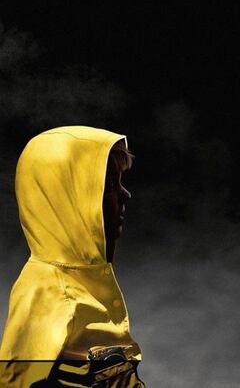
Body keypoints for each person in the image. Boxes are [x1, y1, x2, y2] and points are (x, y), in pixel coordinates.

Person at [0, 126, 145, 387]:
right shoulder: (47, 290)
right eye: (109, 184)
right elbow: (15, 383)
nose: (126, 194)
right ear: (65, 198)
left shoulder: (85, 279)